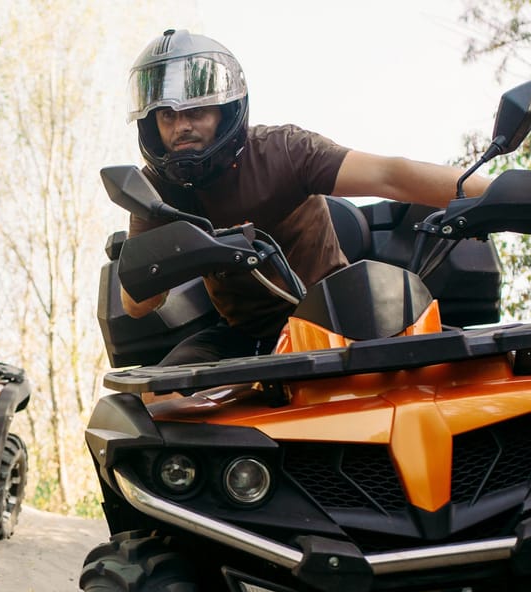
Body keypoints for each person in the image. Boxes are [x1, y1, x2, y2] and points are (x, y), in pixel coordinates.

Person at [121, 28, 493, 366]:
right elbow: (135, 305)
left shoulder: (283, 151)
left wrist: (500, 193)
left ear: (226, 109)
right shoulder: (156, 192)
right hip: (247, 337)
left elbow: (390, 175)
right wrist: (177, 252)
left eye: (196, 110)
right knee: (157, 403)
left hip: (340, 314)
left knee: (474, 366)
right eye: (166, 115)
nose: (181, 126)